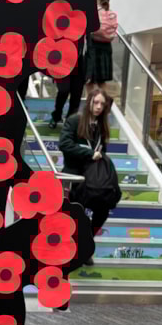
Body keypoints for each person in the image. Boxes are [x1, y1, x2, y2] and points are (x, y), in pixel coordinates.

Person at [59, 87, 114, 234]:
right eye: (96, 102)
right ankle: (80, 244)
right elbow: (64, 144)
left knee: (103, 209)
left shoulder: (101, 126)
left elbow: (102, 151)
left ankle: (87, 240)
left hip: (92, 179)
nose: (98, 107)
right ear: (89, 101)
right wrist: (89, 153)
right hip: (74, 178)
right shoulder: (75, 120)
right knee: (76, 214)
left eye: (102, 104)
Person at [48, 35, 85, 128]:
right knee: (64, 90)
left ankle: (70, 122)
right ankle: (56, 116)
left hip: (79, 63)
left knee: (76, 94)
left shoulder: (84, 25)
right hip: (61, 62)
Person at [85, 0, 117, 87]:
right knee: (102, 82)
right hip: (106, 48)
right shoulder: (111, 13)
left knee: (89, 81)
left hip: (93, 47)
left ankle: (90, 101)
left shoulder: (94, 12)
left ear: (97, 0)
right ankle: (103, 101)